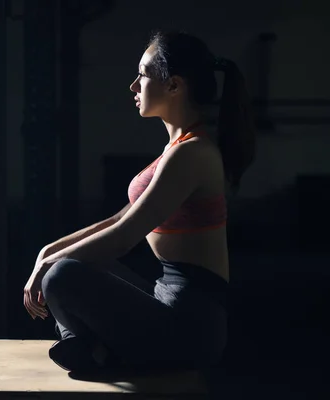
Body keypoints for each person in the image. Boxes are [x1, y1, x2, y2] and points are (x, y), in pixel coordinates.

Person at [23, 30, 255, 374]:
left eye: (143, 75)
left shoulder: (193, 153)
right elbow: (121, 217)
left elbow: (124, 236)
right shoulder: (178, 149)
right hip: (167, 304)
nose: (134, 86)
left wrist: (48, 267)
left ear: (174, 85)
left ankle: (93, 349)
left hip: (191, 329)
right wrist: (47, 251)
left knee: (62, 275)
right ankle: (91, 349)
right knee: (67, 266)